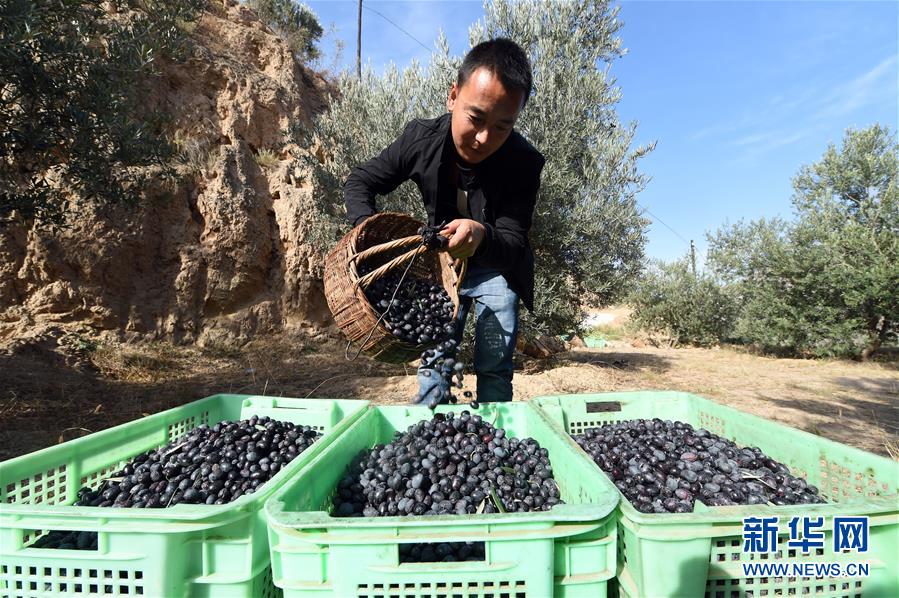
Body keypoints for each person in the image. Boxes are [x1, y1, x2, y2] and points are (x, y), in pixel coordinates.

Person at [343, 38, 545, 406]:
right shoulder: (422, 140)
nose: (485, 138)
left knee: (495, 366)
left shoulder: (524, 162)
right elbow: (361, 182)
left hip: (497, 269)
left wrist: (481, 234)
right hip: (439, 269)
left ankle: (494, 441)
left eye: (503, 127)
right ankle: (428, 429)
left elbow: (514, 242)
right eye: (476, 118)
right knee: (434, 362)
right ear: (453, 96)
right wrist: (368, 236)